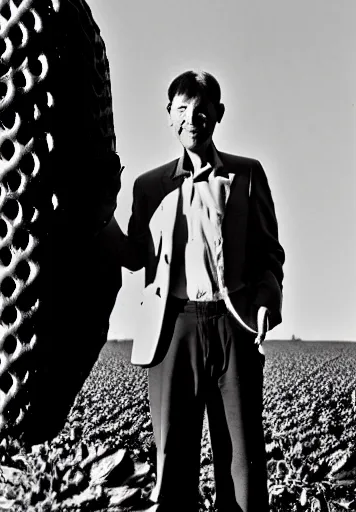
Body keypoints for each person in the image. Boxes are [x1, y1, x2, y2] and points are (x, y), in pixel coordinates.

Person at [100, 70, 285, 511]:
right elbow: (133, 255)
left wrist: (265, 303)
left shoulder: (246, 176)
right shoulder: (149, 187)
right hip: (173, 330)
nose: (192, 118)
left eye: (201, 109)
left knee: (242, 464)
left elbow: (269, 256)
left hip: (233, 326)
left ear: (218, 115)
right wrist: (98, 211)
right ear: (169, 116)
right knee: (173, 460)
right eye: (181, 109)